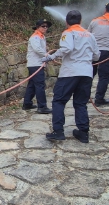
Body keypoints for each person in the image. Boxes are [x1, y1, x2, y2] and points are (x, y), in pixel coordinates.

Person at [42, 10, 99, 143]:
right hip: (86, 73)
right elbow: (97, 55)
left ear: (66, 21)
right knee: (80, 103)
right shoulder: (90, 35)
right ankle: (83, 133)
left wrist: (51, 56)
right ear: (80, 21)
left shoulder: (68, 32)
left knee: (59, 101)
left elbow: (66, 48)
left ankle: (58, 131)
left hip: (70, 72)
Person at [22, 19, 53, 114]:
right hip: (35, 64)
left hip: (37, 64)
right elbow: (37, 49)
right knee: (40, 85)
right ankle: (42, 107)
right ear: (37, 27)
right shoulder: (35, 37)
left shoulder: (41, 37)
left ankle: (27, 103)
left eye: (46, 26)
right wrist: (47, 55)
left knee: (32, 85)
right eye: (43, 26)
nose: (45, 28)